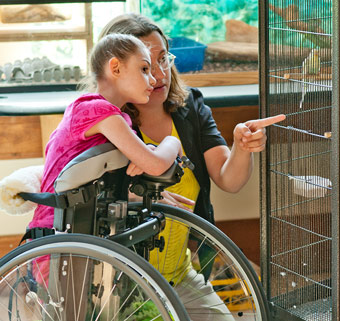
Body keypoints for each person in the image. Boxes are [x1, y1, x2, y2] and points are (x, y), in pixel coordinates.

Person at [98, 13, 286, 321]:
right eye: (145, 65)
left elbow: (230, 179)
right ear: (117, 70)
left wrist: (241, 146)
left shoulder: (190, 109)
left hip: (180, 274)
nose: (159, 74)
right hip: (122, 281)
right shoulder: (105, 120)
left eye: (163, 59)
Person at [29, 33, 182, 230]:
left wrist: (148, 151)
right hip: (57, 231)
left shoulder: (115, 118)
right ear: (116, 68)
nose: (153, 79)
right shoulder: (97, 111)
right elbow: (155, 165)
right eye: (144, 69)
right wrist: (172, 142)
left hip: (79, 226)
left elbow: (145, 161)